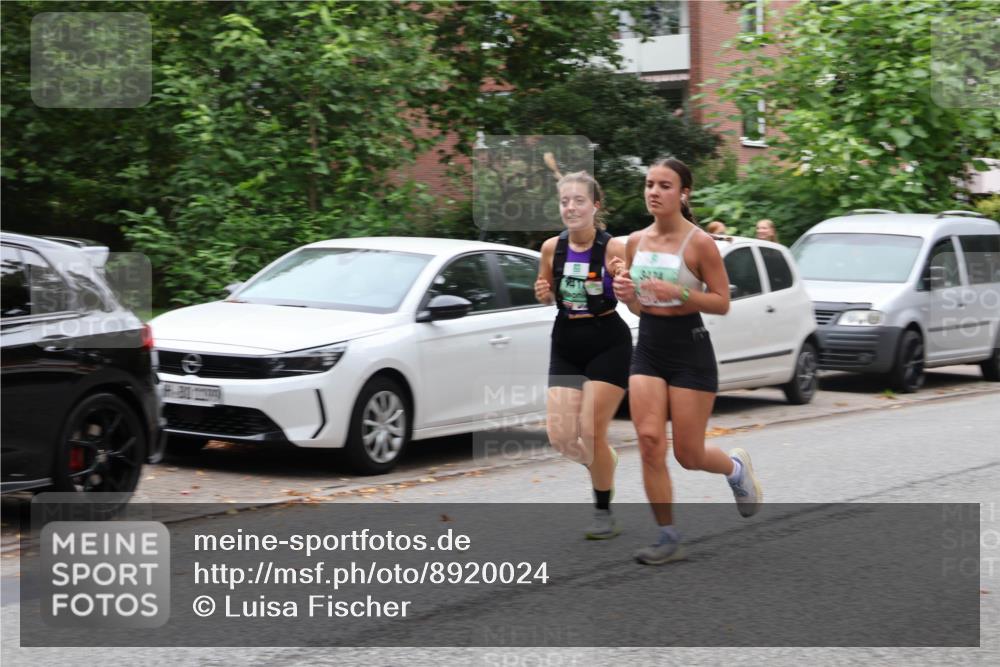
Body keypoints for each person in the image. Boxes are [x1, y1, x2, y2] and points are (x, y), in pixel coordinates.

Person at [610, 157, 762, 565]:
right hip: (650, 347)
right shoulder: (634, 242)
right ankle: (667, 534)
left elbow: (722, 302)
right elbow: (642, 308)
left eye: (664, 185)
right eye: (649, 184)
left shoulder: (699, 243)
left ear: (684, 193)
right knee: (648, 441)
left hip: (690, 350)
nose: (654, 192)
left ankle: (734, 469)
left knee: (688, 455)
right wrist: (629, 296)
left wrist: (678, 292)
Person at [534, 171, 633, 540]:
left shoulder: (613, 248)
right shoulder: (550, 248)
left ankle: (603, 511)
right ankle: (604, 461)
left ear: (595, 205)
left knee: (590, 433)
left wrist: (623, 282)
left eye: (579, 200)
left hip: (607, 339)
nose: (571, 207)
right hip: (566, 340)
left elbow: (628, 290)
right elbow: (546, 294)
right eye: (565, 201)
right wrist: (543, 293)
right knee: (561, 437)